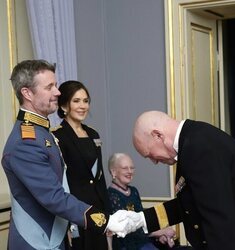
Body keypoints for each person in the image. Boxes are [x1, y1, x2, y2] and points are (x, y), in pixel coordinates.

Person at [1, 59, 139, 250]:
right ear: (27, 93)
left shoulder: (41, 132)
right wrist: (104, 221)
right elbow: (54, 197)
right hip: (37, 241)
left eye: (56, 85)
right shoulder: (27, 141)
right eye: (49, 87)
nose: (57, 92)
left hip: (55, 236)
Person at [129, 110, 235, 250]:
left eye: (150, 154)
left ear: (158, 135)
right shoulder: (193, 139)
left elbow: (218, 222)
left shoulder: (198, 148)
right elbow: (191, 203)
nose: (154, 161)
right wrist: (141, 219)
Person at [52, 80, 110, 249]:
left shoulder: (93, 134)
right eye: (76, 101)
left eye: (85, 101)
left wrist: (108, 213)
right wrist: (66, 223)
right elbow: (58, 183)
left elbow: (100, 178)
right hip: (76, 211)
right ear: (64, 105)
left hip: (97, 211)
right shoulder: (57, 136)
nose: (83, 106)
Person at [107, 153, 176, 250]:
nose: (130, 171)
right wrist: (160, 232)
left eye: (132, 168)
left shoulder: (134, 191)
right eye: (125, 168)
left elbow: (143, 221)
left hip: (143, 242)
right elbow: (127, 229)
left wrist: (160, 235)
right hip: (126, 245)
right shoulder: (111, 196)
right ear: (113, 172)